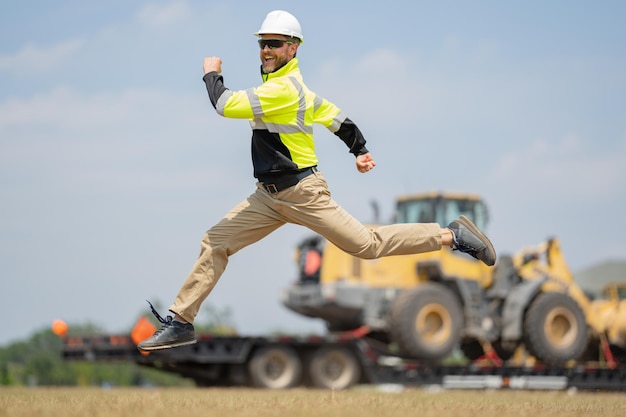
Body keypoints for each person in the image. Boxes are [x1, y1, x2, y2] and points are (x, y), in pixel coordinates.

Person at [137, 10, 496, 352]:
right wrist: (360, 150)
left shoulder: (283, 91)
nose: (266, 50)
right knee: (215, 241)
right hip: (267, 196)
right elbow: (336, 117)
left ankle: (451, 235)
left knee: (367, 246)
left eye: (275, 43)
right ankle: (181, 320)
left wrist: (210, 73)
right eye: (262, 43)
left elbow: (224, 105)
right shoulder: (292, 89)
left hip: (303, 192)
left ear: (293, 48)